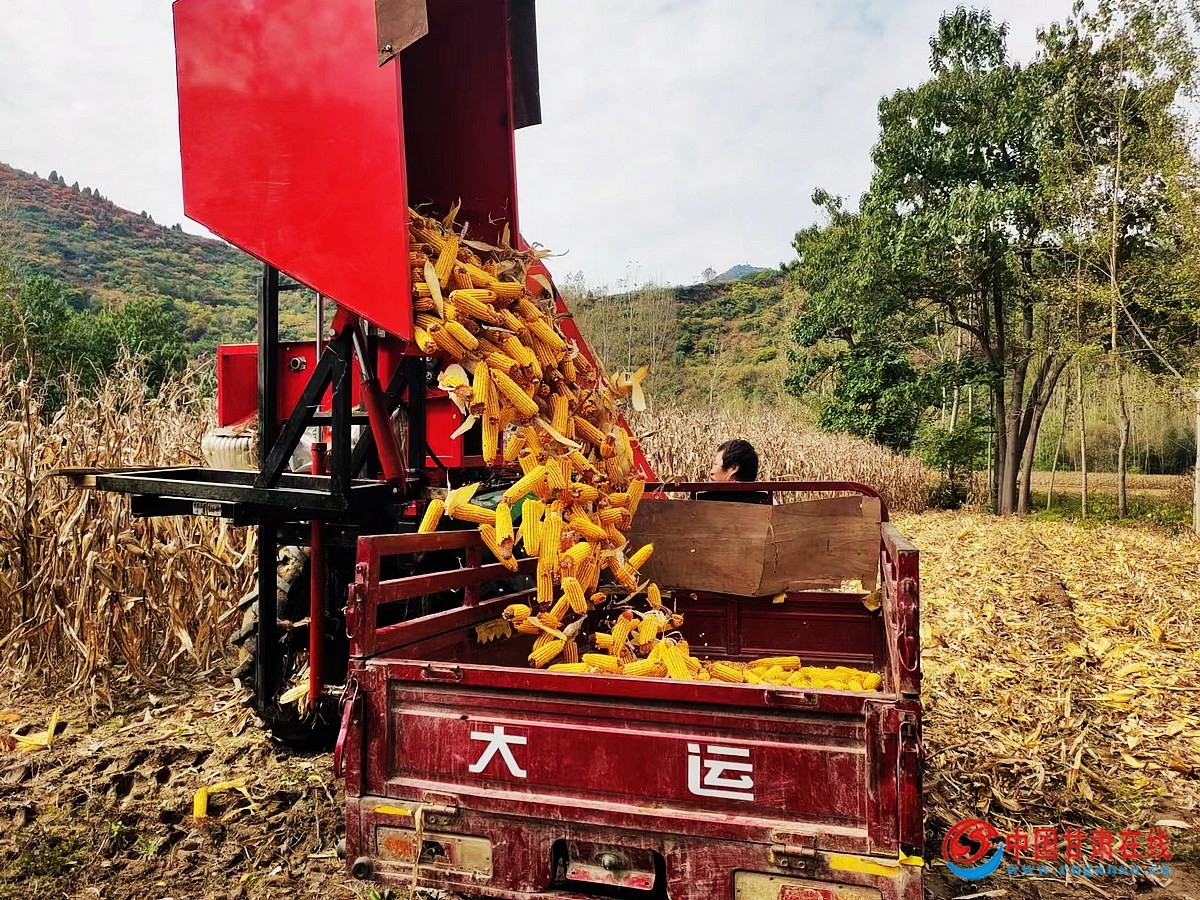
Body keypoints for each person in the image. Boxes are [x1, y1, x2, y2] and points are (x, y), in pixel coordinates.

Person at [695, 439, 772, 504]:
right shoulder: (768, 501)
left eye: (715, 464)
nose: (711, 472)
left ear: (733, 468)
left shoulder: (701, 504)